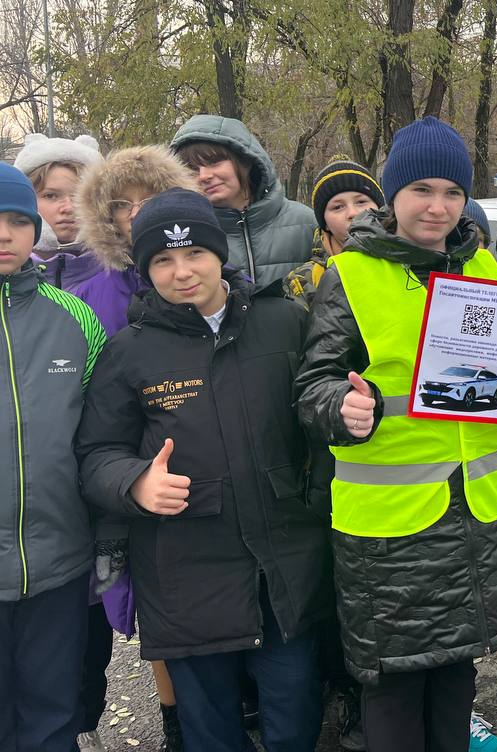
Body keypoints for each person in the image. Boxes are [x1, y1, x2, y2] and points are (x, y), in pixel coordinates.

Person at [295, 117, 497, 752]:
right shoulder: (350, 275)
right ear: (393, 197)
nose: (438, 207)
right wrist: (341, 411)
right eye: (422, 190)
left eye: (453, 193)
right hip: (392, 527)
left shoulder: (485, 264)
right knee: (394, 691)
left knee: (458, 676)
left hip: (477, 512)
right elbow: (312, 388)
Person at [75, 189, 330, 751]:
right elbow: (95, 456)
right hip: (184, 572)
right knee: (210, 725)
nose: (181, 272)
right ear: (145, 269)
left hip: (283, 564)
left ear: (221, 254)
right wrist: (134, 482)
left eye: (194, 254)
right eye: (162, 261)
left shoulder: (284, 321)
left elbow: (322, 407)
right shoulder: (128, 352)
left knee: (294, 708)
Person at [72, 145, 197, 752]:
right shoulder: (94, 293)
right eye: (122, 205)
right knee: (147, 605)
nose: (136, 213)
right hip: (129, 474)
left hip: (202, 466)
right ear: (106, 217)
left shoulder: (200, 273)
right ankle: (174, 717)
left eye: (150, 198)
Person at [0, 163, 106, 752]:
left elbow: (99, 436)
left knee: (52, 714)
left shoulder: (75, 318)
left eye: (18, 220)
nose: (5, 233)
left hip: (58, 562)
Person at [171, 114, 316, 292]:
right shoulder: (185, 234)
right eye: (192, 169)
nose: (204, 176)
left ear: (245, 161)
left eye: (214, 162)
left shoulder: (306, 222)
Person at [285, 158, 386, 309]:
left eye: (361, 202)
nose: (352, 213)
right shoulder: (304, 281)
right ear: (324, 222)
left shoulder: (407, 262)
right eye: (338, 207)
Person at [13, 132, 104, 290]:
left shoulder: (125, 277)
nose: (68, 208)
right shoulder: (7, 276)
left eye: (78, 196)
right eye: (51, 196)